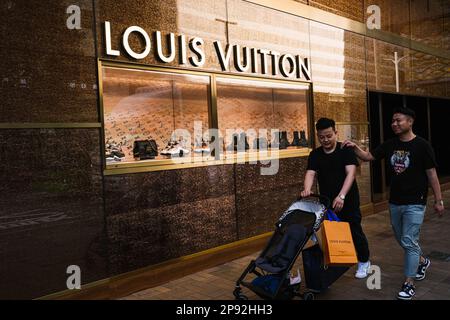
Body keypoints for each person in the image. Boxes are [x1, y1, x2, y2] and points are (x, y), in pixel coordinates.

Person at [342, 107, 445, 300]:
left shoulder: (422, 146)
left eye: (398, 120)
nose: (394, 124)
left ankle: (409, 283)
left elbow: (432, 174)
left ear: (410, 121)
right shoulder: (390, 144)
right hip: (395, 201)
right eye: (393, 121)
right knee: (402, 239)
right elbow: (369, 157)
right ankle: (422, 261)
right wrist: (354, 147)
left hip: (416, 201)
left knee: (408, 240)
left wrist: (438, 200)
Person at [301, 117, 371, 279]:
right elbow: (311, 173)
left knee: (354, 230)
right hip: (327, 201)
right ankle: (338, 259)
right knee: (332, 232)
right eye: (321, 137)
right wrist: (306, 189)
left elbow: (351, 174)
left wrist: (342, 196)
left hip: (348, 199)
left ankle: (364, 261)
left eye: (329, 136)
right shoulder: (316, 154)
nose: (325, 140)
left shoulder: (345, 150)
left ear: (335, 133)